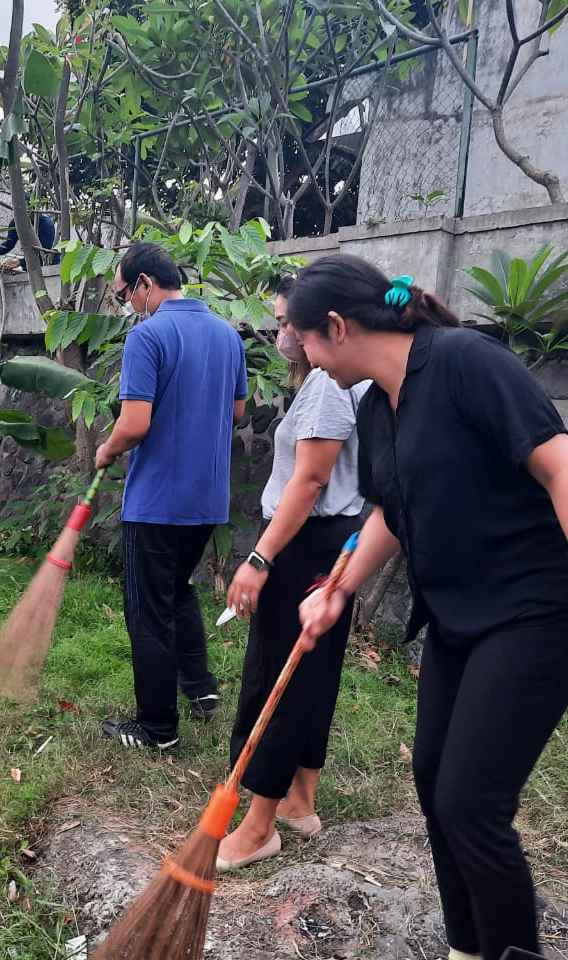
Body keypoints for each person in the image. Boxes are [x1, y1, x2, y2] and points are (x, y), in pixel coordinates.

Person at [291, 255, 568, 960]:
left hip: (533, 612)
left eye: (302, 342)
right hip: (457, 617)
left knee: (472, 804)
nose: (302, 361)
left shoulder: (464, 362)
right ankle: (467, 947)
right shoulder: (372, 405)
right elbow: (392, 508)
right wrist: (338, 589)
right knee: (434, 784)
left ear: (335, 326)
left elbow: (565, 468)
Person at [215, 277, 369, 870]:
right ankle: (299, 803)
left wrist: (260, 558)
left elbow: (308, 483)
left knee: (277, 677)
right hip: (322, 543)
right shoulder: (324, 383)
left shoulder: (329, 386)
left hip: (305, 545)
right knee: (313, 672)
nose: (280, 334)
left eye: (286, 324)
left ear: (318, 328)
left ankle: (258, 826)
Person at [95, 242, 248, 751]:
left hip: (157, 501)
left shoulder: (149, 335)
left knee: (148, 612)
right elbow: (238, 413)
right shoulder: (228, 335)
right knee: (178, 590)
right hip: (206, 500)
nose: (125, 306)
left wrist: (107, 450)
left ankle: (157, 729)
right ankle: (201, 691)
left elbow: (134, 424)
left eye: (123, 294)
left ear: (144, 285)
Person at [0, 195, 58, 270]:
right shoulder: (16, 222)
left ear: (33, 212)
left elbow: (43, 253)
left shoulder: (46, 225)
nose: (23, 218)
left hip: (49, 264)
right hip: (29, 262)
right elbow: (8, 244)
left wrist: (20, 262)